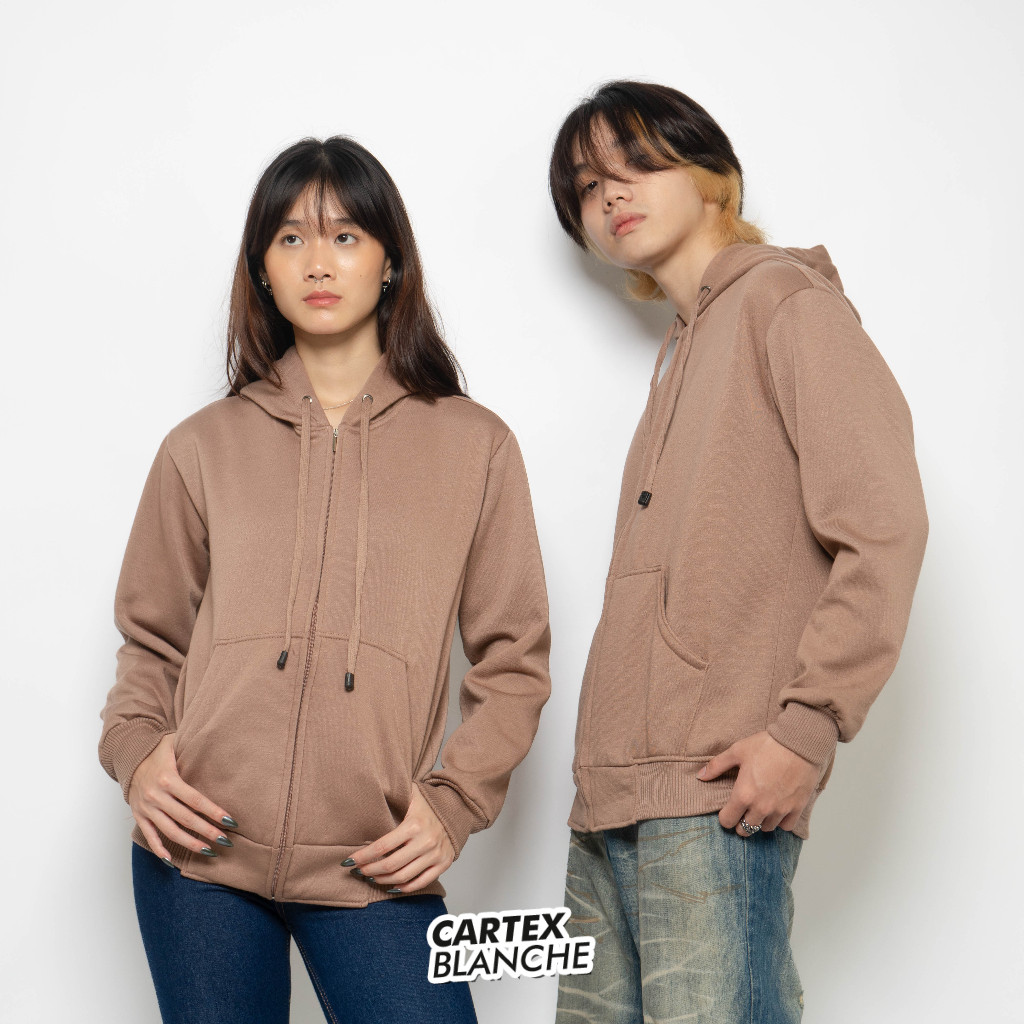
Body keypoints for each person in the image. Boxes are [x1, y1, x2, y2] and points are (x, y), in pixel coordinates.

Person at [98, 135, 551, 1024]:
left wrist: (455, 803)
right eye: (291, 238)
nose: (318, 261)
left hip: (371, 860)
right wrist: (138, 753)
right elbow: (151, 637)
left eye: (345, 236)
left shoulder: (476, 447)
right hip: (198, 855)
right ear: (262, 270)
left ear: (389, 261)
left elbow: (515, 659)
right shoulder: (203, 446)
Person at [547, 81, 929, 1023]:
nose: (611, 193)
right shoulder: (682, 351)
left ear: (713, 173)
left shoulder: (787, 306)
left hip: (715, 795)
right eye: (587, 186)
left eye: (637, 162)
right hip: (610, 802)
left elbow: (884, 524)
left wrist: (806, 729)